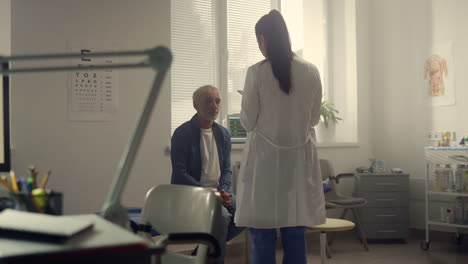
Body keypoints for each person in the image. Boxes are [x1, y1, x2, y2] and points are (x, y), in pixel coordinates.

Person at [234, 10, 326, 264]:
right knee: (295, 230)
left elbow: (247, 121)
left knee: (262, 232)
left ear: (263, 39)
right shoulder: (311, 71)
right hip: (298, 164)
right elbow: (315, 118)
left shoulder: (256, 73)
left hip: (264, 164)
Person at [170, 85, 243, 264]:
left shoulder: (223, 134)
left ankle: (201, 254)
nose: (214, 105)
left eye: (217, 101)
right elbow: (180, 174)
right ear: (196, 105)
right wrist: (211, 194)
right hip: (192, 195)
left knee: (248, 211)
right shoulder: (182, 133)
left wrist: (223, 191)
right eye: (208, 101)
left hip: (218, 192)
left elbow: (226, 169)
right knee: (223, 218)